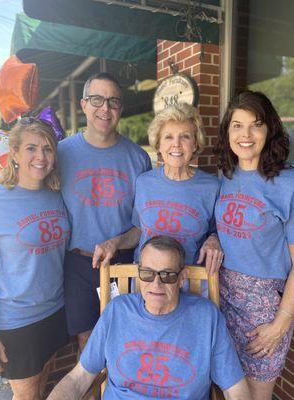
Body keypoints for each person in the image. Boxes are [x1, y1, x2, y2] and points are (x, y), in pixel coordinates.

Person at [47, 235, 251, 400]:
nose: (156, 285)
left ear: (181, 278)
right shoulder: (117, 311)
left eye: (168, 275)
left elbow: (235, 390)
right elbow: (78, 378)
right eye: (147, 274)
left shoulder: (207, 318)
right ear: (138, 274)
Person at [58, 72, 151, 349]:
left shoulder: (138, 158)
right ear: (83, 104)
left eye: (113, 101)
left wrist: (117, 242)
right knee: (87, 345)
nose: (105, 108)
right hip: (77, 264)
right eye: (97, 99)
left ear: (121, 108)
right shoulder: (60, 154)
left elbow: (143, 225)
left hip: (123, 261)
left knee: (125, 339)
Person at [214, 90, 294, 400]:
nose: (245, 135)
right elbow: (220, 230)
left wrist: (280, 323)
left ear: (270, 129)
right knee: (225, 388)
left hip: (264, 309)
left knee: (257, 395)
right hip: (222, 297)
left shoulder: (287, 184)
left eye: (255, 124)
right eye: (237, 125)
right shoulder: (225, 176)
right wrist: (211, 237)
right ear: (228, 131)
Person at [0, 117, 69, 400]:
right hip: (17, 321)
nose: (41, 157)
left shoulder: (57, 196)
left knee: (43, 383)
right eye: (31, 148)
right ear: (14, 153)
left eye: (48, 149)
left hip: (54, 310)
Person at [132, 103, 224, 273]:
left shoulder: (212, 187)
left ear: (196, 144)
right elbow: (138, 230)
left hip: (191, 280)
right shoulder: (143, 183)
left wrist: (215, 239)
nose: (177, 144)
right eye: (168, 137)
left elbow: (219, 231)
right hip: (146, 280)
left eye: (185, 137)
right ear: (158, 145)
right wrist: (114, 243)